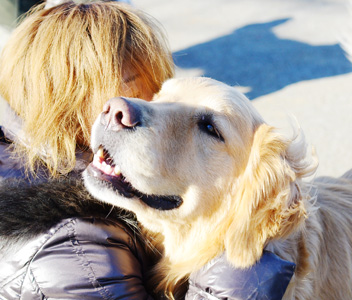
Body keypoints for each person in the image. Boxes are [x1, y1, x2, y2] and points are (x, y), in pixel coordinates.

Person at [0, 1, 294, 299]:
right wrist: (241, 275)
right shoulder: (80, 252)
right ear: (61, 103)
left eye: (158, 95)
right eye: (128, 94)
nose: (139, 110)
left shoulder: (17, 148)